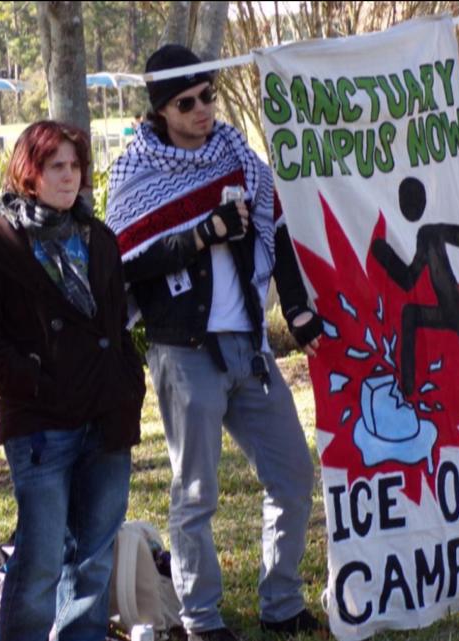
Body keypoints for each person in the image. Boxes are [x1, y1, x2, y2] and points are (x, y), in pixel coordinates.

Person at [105, 45, 324, 641]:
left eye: (208, 96)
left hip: (248, 346)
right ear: (160, 110)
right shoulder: (134, 171)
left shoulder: (239, 157)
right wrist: (201, 234)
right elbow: (125, 266)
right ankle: (202, 620)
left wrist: (299, 307)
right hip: (183, 350)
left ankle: (282, 605)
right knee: (196, 492)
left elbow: (277, 229)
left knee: (293, 474)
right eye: (187, 102)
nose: (202, 109)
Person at [0, 120, 146, 641]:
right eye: (54, 166)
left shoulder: (99, 237)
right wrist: (33, 379)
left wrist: (130, 382)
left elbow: (116, 324)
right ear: (29, 174)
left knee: (93, 560)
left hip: (106, 418)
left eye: (74, 165)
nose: (68, 176)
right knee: (40, 561)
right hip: (40, 424)